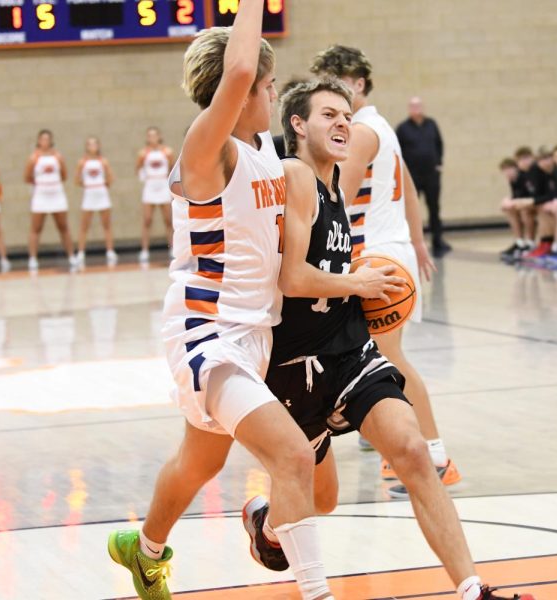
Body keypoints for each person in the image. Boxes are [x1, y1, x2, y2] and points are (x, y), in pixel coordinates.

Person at [243, 77, 533, 600]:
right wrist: (358, 281)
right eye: (329, 114)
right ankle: (266, 526)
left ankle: (474, 590)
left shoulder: (336, 189)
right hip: (296, 364)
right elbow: (292, 280)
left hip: (350, 350)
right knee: (322, 499)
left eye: (347, 115)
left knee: (414, 451)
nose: (343, 123)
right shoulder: (297, 176)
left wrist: (357, 279)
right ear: (298, 124)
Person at [106, 5, 348, 599]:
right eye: (266, 85)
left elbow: (244, 71)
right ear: (237, 93)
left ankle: (144, 549)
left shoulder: (261, 143)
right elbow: (239, 66)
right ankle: (318, 595)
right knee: (293, 456)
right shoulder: (206, 148)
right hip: (207, 333)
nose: (271, 92)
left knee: (202, 462)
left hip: (254, 333)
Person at [310, 45, 461, 497]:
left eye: (333, 90)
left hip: (378, 256)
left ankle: (436, 457)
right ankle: (376, 428)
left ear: (355, 82)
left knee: (389, 358)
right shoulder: (382, 127)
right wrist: (416, 241)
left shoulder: (360, 132)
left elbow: (334, 196)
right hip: (391, 250)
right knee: (375, 355)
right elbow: (410, 187)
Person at [396, 96, 450, 257]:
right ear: (409, 109)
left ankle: (437, 241)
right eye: (413, 106)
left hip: (431, 174)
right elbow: (396, 151)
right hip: (412, 176)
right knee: (411, 208)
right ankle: (410, 241)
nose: (416, 109)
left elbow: (439, 144)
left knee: (434, 207)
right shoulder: (403, 128)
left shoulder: (431, 124)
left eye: (418, 106)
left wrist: (439, 162)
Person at [24, 129, 77, 273]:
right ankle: (33, 259)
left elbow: (64, 175)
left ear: (51, 140)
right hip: (41, 194)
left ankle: (72, 256)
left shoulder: (58, 157)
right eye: (42, 139)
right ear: (38, 141)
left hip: (56, 194)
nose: (45, 141)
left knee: (63, 226)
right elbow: (27, 177)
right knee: (36, 228)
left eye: (48, 139)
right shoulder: (33, 158)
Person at [75, 136, 117, 268]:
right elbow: (76, 180)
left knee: (107, 225)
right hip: (89, 194)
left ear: (98, 146)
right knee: (84, 226)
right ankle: (81, 254)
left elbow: (111, 177)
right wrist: (86, 184)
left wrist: (105, 183)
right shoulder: (82, 162)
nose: (92, 146)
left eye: (94, 144)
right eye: (90, 144)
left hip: (101, 194)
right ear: (86, 147)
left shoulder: (103, 161)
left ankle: (110, 252)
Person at [137, 126, 176, 264]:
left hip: (163, 185)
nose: (152, 138)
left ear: (159, 136)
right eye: (150, 135)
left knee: (168, 220)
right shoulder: (143, 153)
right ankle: (144, 250)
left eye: (155, 135)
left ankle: (172, 248)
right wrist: (145, 178)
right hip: (150, 186)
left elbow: (172, 168)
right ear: (147, 138)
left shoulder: (167, 152)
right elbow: (139, 168)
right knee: (147, 219)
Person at [499, 148, 537, 261]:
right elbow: (517, 196)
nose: (508, 173)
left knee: (524, 210)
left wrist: (515, 202)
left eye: (510, 169)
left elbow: (531, 194)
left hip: (534, 202)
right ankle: (519, 242)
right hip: (526, 202)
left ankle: (530, 243)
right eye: (505, 171)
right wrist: (508, 201)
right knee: (510, 209)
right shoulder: (512, 180)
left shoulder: (527, 175)